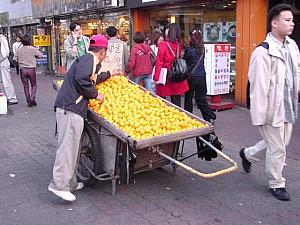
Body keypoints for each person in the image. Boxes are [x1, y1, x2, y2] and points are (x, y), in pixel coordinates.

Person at [48, 35, 120, 202]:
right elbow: (83, 80)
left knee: (74, 149)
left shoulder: (89, 61)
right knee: (67, 149)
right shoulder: (89, 60)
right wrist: (96, 95)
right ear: (102, 51)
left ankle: (70, 183)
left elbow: (91, 78)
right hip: (70, 109)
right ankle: (58, 185)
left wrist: (110, 73)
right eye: (106, 52)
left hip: (73, 109)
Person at [240, 4, 299, 201]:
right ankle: (277, 183)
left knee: (278, 144)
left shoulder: (292, 46)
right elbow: (259, 88)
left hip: (289, 106)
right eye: (287, 20)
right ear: (274, 23)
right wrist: (260, 115)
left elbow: (295, 72)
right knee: (278, 148)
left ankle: (247, 155)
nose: (292, 23)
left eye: (292, 20)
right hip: (272, 109)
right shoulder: (262, 52)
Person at [153, 23, 189, 107]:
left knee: (161, 99)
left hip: (166, 75)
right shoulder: (179, 44)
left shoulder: (163, 45)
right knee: (176, 99)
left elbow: (159, 62)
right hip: (176, 73)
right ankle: (178, 116)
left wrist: (156, 77)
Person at [184, 29, 216, 123]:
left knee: (188, 98)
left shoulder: (189, 50)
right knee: (201, 99)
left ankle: (188, 118)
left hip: (191, 77)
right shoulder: (203, 49)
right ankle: (210, 116)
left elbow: (185, 62)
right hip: (202, 76)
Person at [14, 35, 43, 107]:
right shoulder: (32, 49)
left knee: (25, 86)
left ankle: (28, 100)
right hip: (31, 69)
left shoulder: (19, 49)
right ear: (30, 41)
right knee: (34, 85)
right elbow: (40, 55)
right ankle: (32, 99)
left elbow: (15, 58)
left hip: (22, 70)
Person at [0, 32, 18, 105]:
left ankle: (11, 98)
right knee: (6, 80)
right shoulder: (2, 38)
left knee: (6, 80)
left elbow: (5, 52)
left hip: (3, 61)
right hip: (3, 60)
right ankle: (7, 97)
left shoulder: (2, 38)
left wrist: (2, 58)